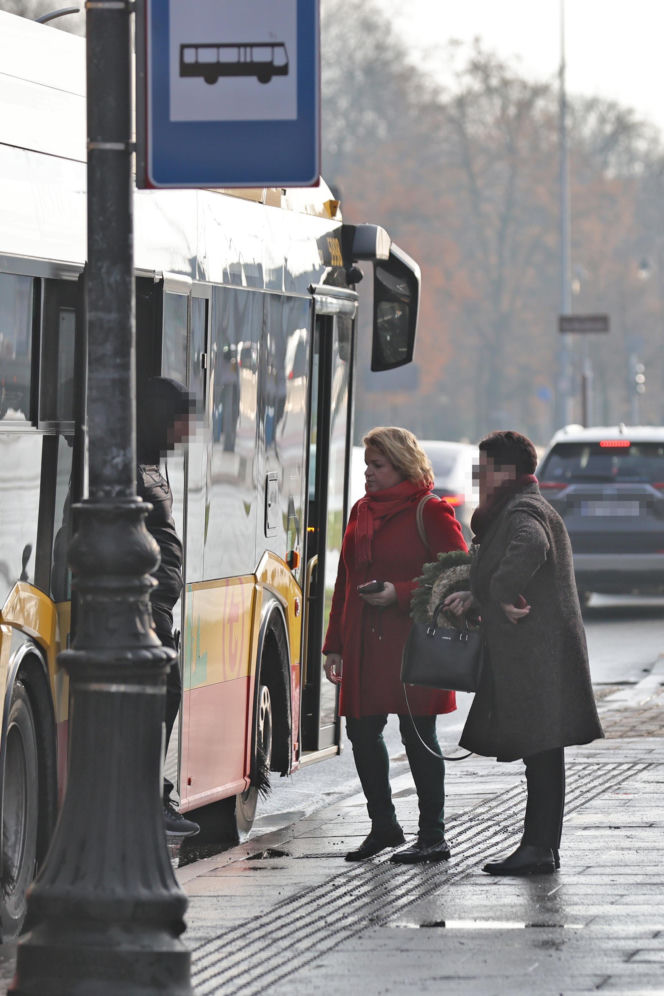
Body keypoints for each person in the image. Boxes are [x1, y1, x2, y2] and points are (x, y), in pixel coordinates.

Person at [444, 430, 603, 876]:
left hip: (537, 656)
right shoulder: (525, 505)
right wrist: (485, 598)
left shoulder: (522, 510)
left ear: (506, 471)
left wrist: (498, 590)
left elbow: (531, 545)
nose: (479, 477)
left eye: (484, 468)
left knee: (541, 753)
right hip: (542, 652)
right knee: (543, 753)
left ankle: (537, 849)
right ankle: (541, 847)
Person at [323, 426, 467, 863]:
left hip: (413, 642)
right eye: (366, 464)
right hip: (363, 641)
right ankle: (383, 826)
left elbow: (458, 575)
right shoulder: (360, 511)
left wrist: (398, 593)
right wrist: (334, 645)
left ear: (401, 465)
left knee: (418, 735)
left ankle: (433, 836)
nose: (367, 473)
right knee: (361, 732)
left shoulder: (430, 510)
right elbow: (345, 581)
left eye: (377, 466)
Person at [137, 376, 200, 838]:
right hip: (146, 610)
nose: (186, 433)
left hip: (158, 608)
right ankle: (145, 797)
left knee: (166, 696)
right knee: (158, 698)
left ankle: (152, 793)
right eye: (181, 421)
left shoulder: (148, 465)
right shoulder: (132, 469)